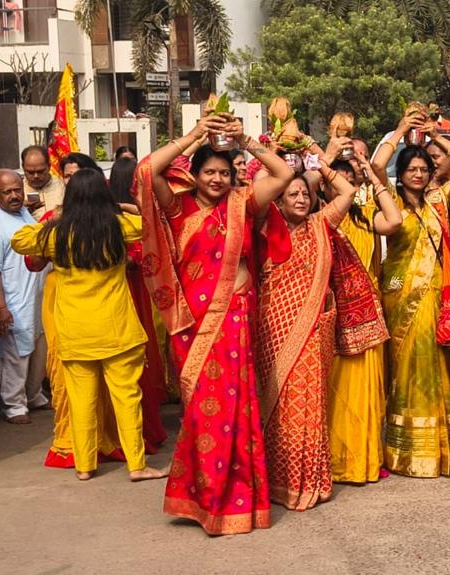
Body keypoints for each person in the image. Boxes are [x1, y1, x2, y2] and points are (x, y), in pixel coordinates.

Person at [139, 113, 294, 535]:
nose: (217, 179)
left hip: (236, 319)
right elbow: (148, 170)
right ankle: (204, 498)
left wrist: (244, 139)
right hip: (194, 326)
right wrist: (196, 134)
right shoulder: (179, 208)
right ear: (195, 174)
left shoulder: (243, 204)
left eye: (224, 172)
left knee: (236, 410)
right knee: (202, 415)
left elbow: (283, 174)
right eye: (209, 171)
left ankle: (237, 500)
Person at [257, 132, 387, 510]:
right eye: (292, 194)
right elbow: (258, 186)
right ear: (279, 199)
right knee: (275, 403)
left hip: (313, 330)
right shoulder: (265, 226)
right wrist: (274, 151)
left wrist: (317, 156)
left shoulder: (320, 223)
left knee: (308, 404)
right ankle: (275, 478)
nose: (300, 199)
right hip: (272, 328)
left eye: (304, 194)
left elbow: (346, 191)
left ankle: (306, 481)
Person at [10, 169, 167, 482]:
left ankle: (84, 466)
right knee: (127, 399)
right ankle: (136, 466)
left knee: (82, 401)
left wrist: (56, 218)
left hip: (75, 331)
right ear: (104, 195)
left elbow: (19, 240)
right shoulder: (118, 226)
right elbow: (152, 224)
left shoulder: (57, 235)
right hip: (117, 329)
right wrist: (123, 208)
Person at [374, 145, 450, 478]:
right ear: (400, 175)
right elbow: (377, 165)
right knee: (407, 365)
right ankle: (407, 450)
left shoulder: (438, 201)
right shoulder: (391, 201)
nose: (418, 174)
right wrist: (401, 129)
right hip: (400, 294)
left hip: (437, 293)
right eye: (411, 169)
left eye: (423, 169)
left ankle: (442, 448)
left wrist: (438, 135)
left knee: (438, 363)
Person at [320, 148, 402, 485]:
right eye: (338, 182)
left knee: (367, 392)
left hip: (367, 312)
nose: (346, 187)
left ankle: (364, 459)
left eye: (351, 182)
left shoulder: (365, 216)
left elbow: (394, 221)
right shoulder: (320, 220)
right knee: (337, 392)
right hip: (332, 313)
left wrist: (370, 175)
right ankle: (337, 461)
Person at [0, 169, 49, 425]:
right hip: (14, 302)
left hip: (36, 298)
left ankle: (33, 395)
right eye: (6, 192)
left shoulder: (23, 213)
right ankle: (14, 405)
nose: (14, 196)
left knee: (38, 352)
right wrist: (1, 308)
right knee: (15, 356)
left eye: (17, 190)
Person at [108, 157, 167, 451]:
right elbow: (152, 234)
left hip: (116, 293)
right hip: (138, 291)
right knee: (137, 357)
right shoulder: (132, 218)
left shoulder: (105, 215)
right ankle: (142, 425)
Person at [21, 145, 63, 218]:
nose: (36, 176)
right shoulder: (17, 191)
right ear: (23, 168)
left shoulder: (62, 186)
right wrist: (21, 209)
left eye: (40, 171)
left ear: (49, 166)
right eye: (30, 172)